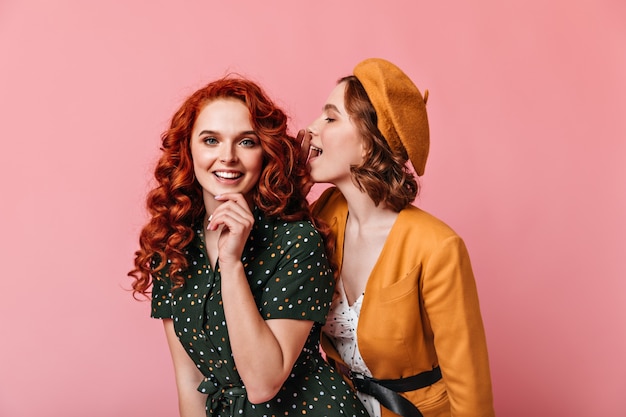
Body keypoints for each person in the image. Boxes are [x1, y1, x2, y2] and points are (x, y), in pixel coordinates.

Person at [128, 76, 368, 417]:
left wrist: (232, 262)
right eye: (211, 140)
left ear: (265, 151)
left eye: (246, 142)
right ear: (188, 148)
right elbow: (189, 378)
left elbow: (263, 383)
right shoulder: (173, 244)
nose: (227, 157)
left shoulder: (297, 240)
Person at [300, 58, 495, 417]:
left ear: (369, 142)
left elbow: (471, 393)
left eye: (330, 117)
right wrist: (293, 193)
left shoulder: (438, 248)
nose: (311, 128)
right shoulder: (323, 214)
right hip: (337, 407)